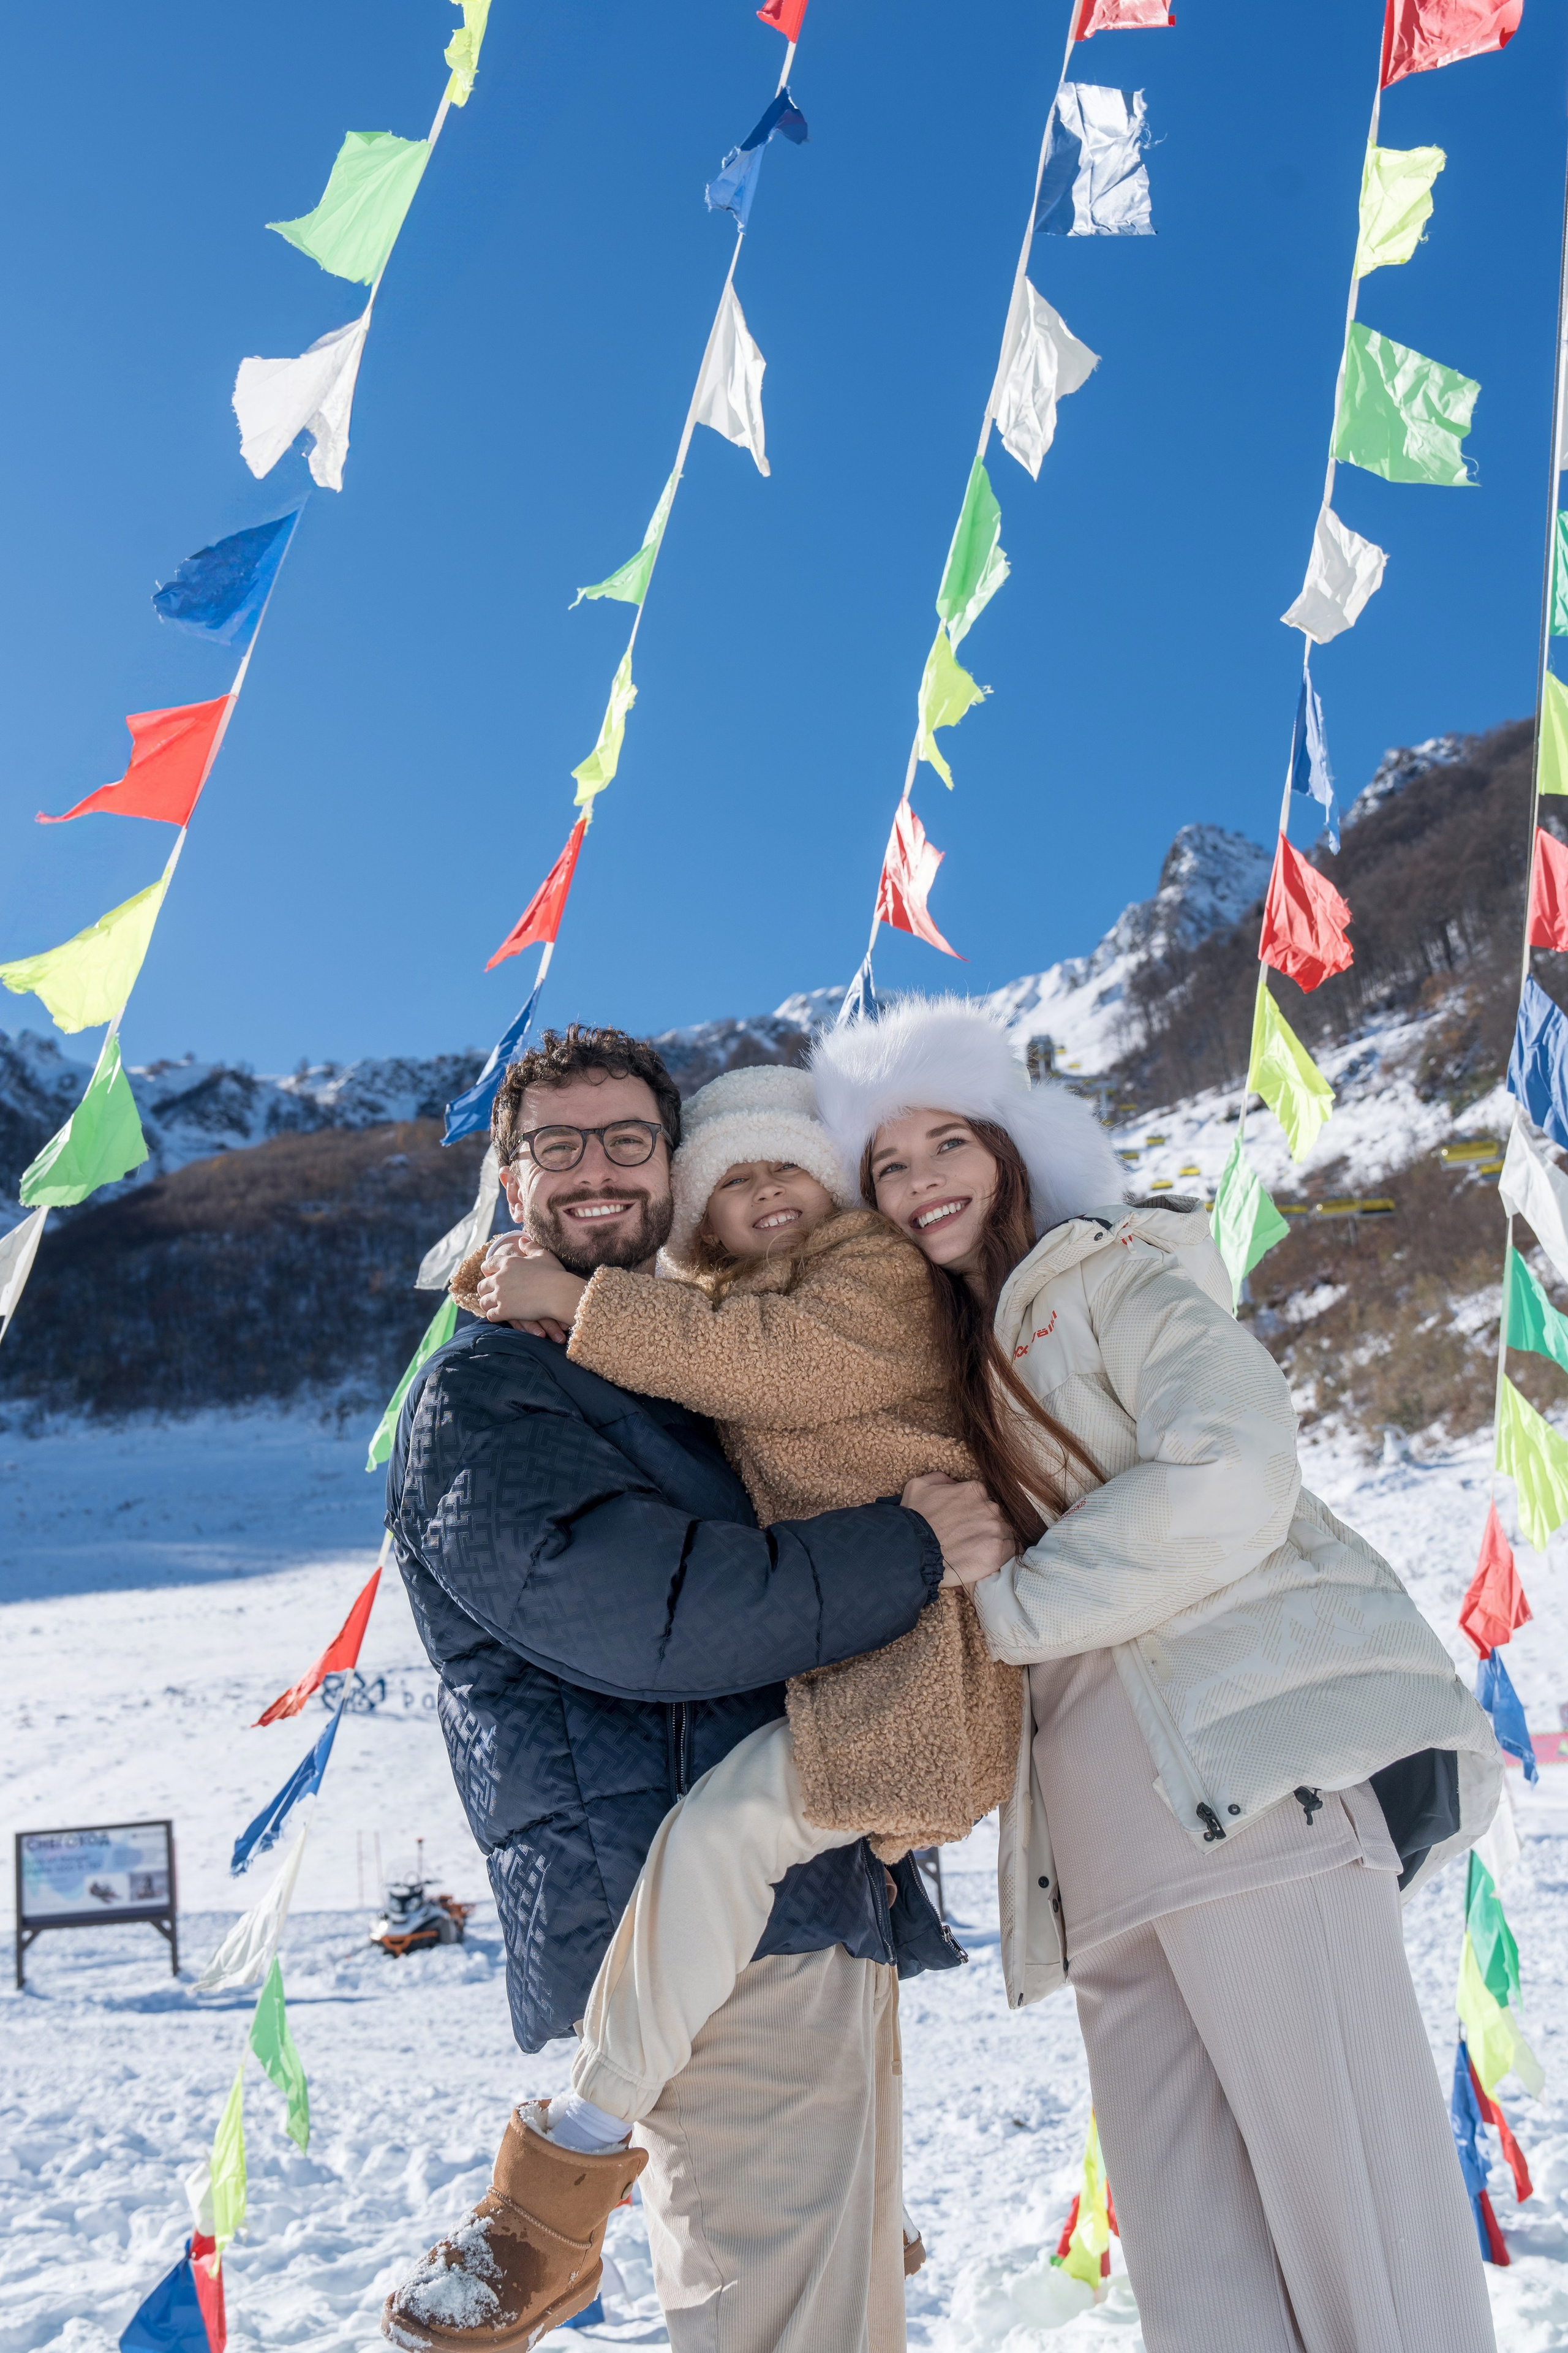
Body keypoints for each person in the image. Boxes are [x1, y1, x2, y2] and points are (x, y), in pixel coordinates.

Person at [809, 994, 1505, 2353]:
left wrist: (1006, 1608)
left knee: (1357, 2227)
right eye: (884, 1167)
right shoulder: (943, 1361)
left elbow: (1231, 1470)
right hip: (1094, 1856)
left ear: (1011, 1148)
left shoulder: (1115, 1275)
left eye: (944, 1142)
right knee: (1195, 2268)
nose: (915, 1183)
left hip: (1245, 1792)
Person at [379, 1025, 1010, 2353]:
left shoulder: (668, 1363)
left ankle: (567, 2187)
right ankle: (555, 2192)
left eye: (628, 1141)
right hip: (710, 1957)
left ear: (665, 1174)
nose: (596, 1171)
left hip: (797, 1914)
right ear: (509, 1182)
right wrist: (909, 1545)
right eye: (557, 1146)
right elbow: (650, 1616)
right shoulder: (491, 1393)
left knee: (819, 2318)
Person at [464, 1060, 1114, 2256]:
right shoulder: (728, 1303)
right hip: (871, 1645)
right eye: (732, 1179)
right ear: (695, 1213)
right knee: (763, 1887)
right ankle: (867, 2194)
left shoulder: (867, 1272)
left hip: (921, 1651)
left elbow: (766, 1360)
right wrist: (531, 1289)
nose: (767, 1193)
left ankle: (579, 2146)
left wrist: (568, 1297)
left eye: (792, 1169)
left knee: (721, 1839)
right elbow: (708, 1353)